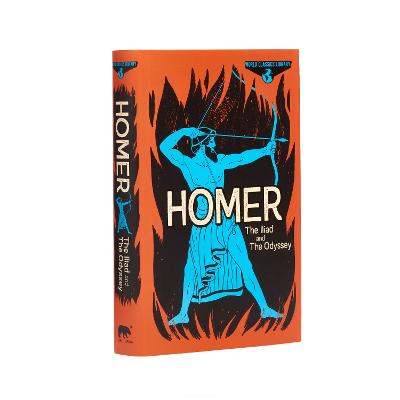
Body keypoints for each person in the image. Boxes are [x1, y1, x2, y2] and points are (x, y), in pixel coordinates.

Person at [160, 127, 283, 325]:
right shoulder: (187, 164)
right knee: (191, 268)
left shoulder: (220, 162)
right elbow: (164, 147)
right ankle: (183, 313)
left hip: (226, 220)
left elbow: (242, 158)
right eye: (212, 141)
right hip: (203, 222)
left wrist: (265, 151)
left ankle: (264, 308)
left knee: (245, 263)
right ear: (202, 145)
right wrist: (184, 131)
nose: (215, 145)